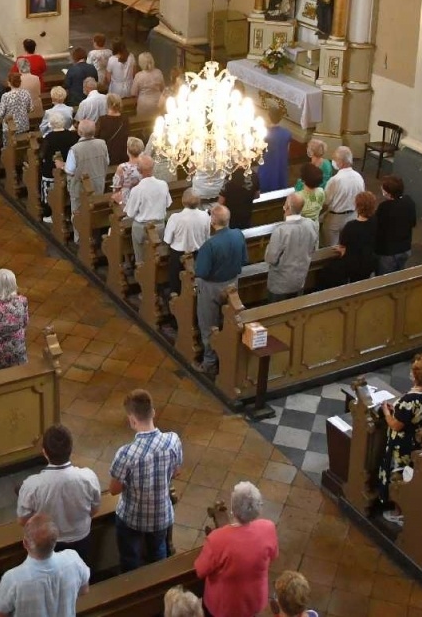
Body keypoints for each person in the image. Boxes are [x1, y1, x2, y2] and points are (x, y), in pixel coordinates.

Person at [109, 389, 184, 571]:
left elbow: (114, 489)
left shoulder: (126, 454)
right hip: (161, 514)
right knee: (158, 553)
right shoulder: (173, 441)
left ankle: (131, 582)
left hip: (132, 517)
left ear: (132, 420)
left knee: (130, 557)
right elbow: (177, 472)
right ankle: (157, 580)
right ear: (153, 412)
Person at [16, 424, 103, 564]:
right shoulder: (88, 477)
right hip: (81, 538)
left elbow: (23, 520)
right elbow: (94, 509)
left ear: (44, 452)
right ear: (71, 449)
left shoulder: (32, 485)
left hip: (48, 544)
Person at [193, 481, 279, 617]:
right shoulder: (268, 528)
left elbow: (200, 570)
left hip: (224, 606)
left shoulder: (217, 539)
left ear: (233, 509)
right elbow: (273, 556)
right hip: (253, 600)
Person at [378, 354, 422, 524]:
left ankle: (399, 512)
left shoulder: (409, 400)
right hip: (420, 439)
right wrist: (399, 411)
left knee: (398, 476)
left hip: (403, 444)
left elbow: (396, 425)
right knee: (412, 473)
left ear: (415, 377)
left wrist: (386, 412)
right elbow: (417, 413)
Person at [0, 514, 89, 617]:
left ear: (25, 543)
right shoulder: (73, 560)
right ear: (56, 539)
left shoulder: (13, 579)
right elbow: (84, 590)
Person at [193, 206, 247, 373]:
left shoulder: (209, 244)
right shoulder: (238, 235)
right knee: (229, 322)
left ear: (213, 221)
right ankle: (228, 357)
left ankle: (209, 362)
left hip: (211, 287)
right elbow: (244, 260)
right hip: (232, 285)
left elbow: (201, 272)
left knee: (208, 325)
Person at [265, 193, 318, 302]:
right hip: (300, 280)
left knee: (276, 310)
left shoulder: (280, 230)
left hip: (280, 284)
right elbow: (314, 249)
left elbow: (270, 259)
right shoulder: (311, 224)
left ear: (287, 207)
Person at [123, 156, 171, 272]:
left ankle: (140, 270)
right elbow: (168, 204)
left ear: (139, 170)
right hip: (159, 226)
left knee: (141, 257)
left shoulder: (137, 189)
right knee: (157, 254)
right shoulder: (163, 184)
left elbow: (130, 213)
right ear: (153, 168)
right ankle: (157, 274)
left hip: (142, 228)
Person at [162, 190, 211, 298]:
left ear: (183, 201)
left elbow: (167, 240)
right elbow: (207, 237)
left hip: (178, 255)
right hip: (198, 254)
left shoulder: (175, 218)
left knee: (176, 284)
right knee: (194, 281)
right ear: (199, 201)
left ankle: (175, 299)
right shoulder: (205, 216)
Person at [325, 191, 380, 288]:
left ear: (357, 206)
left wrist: (342, 250)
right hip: (369, 261)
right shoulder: (375, 221)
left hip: (354, 263)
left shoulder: (351, 226)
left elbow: (343, 245)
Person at [60, 121, 109, 220]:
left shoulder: (75, 149)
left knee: (78, 217)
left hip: (80, 188)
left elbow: (69, 170)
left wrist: (62, 166)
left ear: (79, 132)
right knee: (94, 213)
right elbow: (106, 162)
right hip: (98, 183)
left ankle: (77, 230)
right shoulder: (102, 143)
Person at [319, 147, 364, 249]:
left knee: (331, 248)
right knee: (348, 246)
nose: (333, 161)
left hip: (335, 219)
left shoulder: (335, 180)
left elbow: (326, 201)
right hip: (353, 216)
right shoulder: (359, 177)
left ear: (341, 162)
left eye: (334, 159)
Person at [373, 174, 416, 272]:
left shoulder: (384, 207)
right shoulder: (409, 201)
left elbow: (378, 228)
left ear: (388, 193)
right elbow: (413, 223)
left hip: (389, 252)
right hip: (405, 248)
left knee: (385, 278)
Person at [39, 112, 78, 219]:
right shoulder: (72, 135)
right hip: (68, 168)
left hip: (51, 170)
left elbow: (41, 155)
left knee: (48, 191)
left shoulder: (49, 138)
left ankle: (48, 213)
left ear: (51, 124)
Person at [96, 94, 129, 166]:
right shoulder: (125, 119)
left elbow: (96, 137)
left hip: (107, 155)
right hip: (121, 155)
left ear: (107, 104)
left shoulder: (102, 120)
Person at [0, 72, 34, 137]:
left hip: (10, 128)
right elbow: (31, 109)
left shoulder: (5, 96)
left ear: (9, 83)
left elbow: (1, 113)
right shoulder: (26, 93)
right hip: (24, 125)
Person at [132, 53, 165, 119]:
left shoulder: (138, 76)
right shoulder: (158, 72)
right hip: (158, 103)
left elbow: (133, 92)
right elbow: (163, 89)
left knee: (143, 122)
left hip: (144, 105)